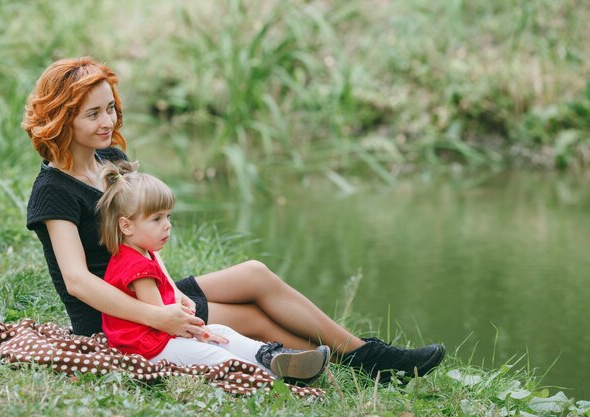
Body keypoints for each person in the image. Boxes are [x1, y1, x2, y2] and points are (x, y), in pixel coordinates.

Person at [23, 56, 445, 385]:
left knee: (255, 275)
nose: (108, 122)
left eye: (110, 109)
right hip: (116, 318)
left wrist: (170, 294)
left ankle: (364, 356)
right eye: (92, 114)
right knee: (255, 320)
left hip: (153, 292)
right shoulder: (53, 191)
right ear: (63, 118)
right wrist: (157, 316)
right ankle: (359, 366)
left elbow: (144, 245)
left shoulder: (110, 161)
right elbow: (77, 281)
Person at [95, 159, 330, 384]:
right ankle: (273, 375)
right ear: (126, 226)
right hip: (148, 347)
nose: (167, 225)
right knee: (217, 356)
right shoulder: (137, 267)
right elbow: (161, 318)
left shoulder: (142, 252)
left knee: (221, 331)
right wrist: (195, 330)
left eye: (168, 216)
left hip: (159, 337)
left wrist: (196, 323)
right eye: (156, 219)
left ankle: (270, 355)